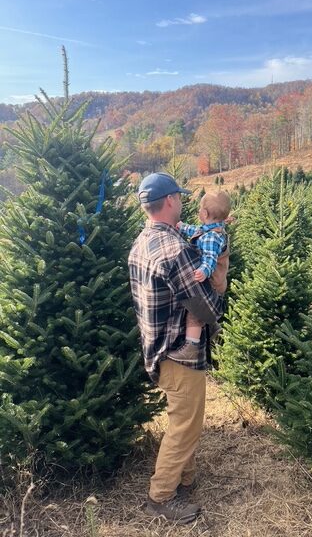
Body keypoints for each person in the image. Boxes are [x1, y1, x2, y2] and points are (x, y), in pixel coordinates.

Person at [128, 172, 224, 524]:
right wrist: (220, 285)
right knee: (184, 424)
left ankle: (186, 479)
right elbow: (206, 308)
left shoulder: (142, 242)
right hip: (179, 353)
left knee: (187, 417)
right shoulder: (175, 250)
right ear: (169, 201)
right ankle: (161, 497)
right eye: (179, 197)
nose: (183, 202)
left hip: (156, 348)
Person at [168, 190, 231, 363]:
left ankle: (191, 347)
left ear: (204, 213)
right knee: (201, 307)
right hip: (214, 281)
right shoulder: (210, 229)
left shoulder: (212, 237)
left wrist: (204, 270)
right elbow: (196, 230)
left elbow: (210, 258)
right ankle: (214, 327)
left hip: (212, 281)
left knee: (194, 311)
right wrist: (181, 226)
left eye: (199, 209)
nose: (198, 211)